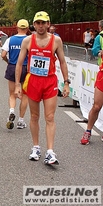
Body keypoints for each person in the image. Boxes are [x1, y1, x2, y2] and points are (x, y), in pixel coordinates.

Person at [15, 11, 70, 165]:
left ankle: (50, 151)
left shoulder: (56, 40)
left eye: (43, 23)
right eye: (37, 23)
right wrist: (18, 85)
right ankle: (36, 147)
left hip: (49, 82)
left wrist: (66, 82)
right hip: (33, 81)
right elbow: (19, 64)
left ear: (48, 24)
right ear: (34, 24)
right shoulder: (27, 40)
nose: (40, 26)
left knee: (50, 117)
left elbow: (63, 62)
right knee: (34, 116)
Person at [1, 19, 29, 129]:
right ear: (27, 29)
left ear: (17, 28)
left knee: (12, 94)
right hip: (26, 68)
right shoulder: (29, 40)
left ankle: (11, 111)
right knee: (25, 95)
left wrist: (8, 62)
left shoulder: (10, 39)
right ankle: (21, 120)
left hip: (12, 66)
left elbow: (3, 54)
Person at [81, 20, 103, 144]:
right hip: (102, 74)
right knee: (97, 106)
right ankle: (88, 131)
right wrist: (100, 52)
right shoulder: (100, 36)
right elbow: (94, 51)